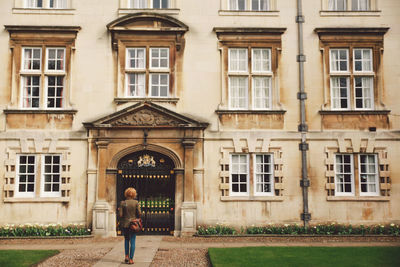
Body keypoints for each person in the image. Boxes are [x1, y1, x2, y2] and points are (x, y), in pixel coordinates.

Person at [119, 187, 141, 265]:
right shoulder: (136, 203)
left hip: (125, 224)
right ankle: (131, 259)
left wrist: (120, 210)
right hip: (133, 224)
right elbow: (139, 213)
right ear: (134, 194)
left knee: (126, 240)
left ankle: (126, 256)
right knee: (133, 241)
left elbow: (121, 215)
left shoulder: (123, 203)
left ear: (126, 194)